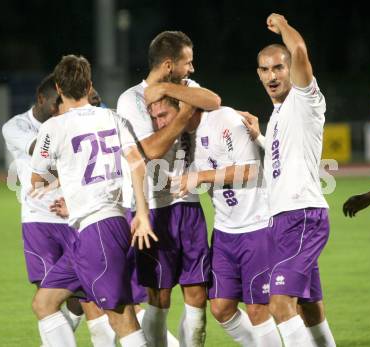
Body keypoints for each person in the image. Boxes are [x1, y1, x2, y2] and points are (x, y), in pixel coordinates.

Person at [30, 54, 155, 347]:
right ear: (89, 85)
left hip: (98, 232)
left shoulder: (53, 127)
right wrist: (143, 213)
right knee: (44, 303)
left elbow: (37, 180)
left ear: (58, 88)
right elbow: (137, 163)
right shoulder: (112, 117)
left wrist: (60, 177)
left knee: (121, 317)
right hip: (98, 226)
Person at [117, 30, 221, 347]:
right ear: (168, 63)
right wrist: (184, 115)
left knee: (197, 295)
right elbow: (150, 150)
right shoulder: (131, 99)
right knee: (159, 297)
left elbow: (214, 101)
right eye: (186, 63)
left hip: (188, 204)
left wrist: (165, 88)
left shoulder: (185, 88)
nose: (191, 69)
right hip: (152, 206)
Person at [151, 97, 282, 346]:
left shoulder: (224, 120)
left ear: (185, 108)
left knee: (258, 310)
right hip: (224, 231)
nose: (160, 123)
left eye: (164, 115)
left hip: (256, 226)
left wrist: (200, 177)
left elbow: (250, 170)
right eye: (155, 117)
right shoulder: (184, 137)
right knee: (221, 308)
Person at [240, 13, 336, 347]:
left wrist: (282, 25)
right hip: (282, 220)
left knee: (279, 305)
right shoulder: (278, 113)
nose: (272, 75)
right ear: (258, 74)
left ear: (290, 69)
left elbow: (299, 51)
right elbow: (282, 157)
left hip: (302, 215)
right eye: (264, 69)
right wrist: (260, 138)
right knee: (310, 309)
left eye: (278, 67)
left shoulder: (304, 99)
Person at [2, 74, 85, 346]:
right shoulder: (17, 125)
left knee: (82, 300)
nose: (58, 108)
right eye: (55, 103)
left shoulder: (64, 122)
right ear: (41, 99)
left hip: (75, 218)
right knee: (47, 296)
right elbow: (42, 152)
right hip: (39, 222)